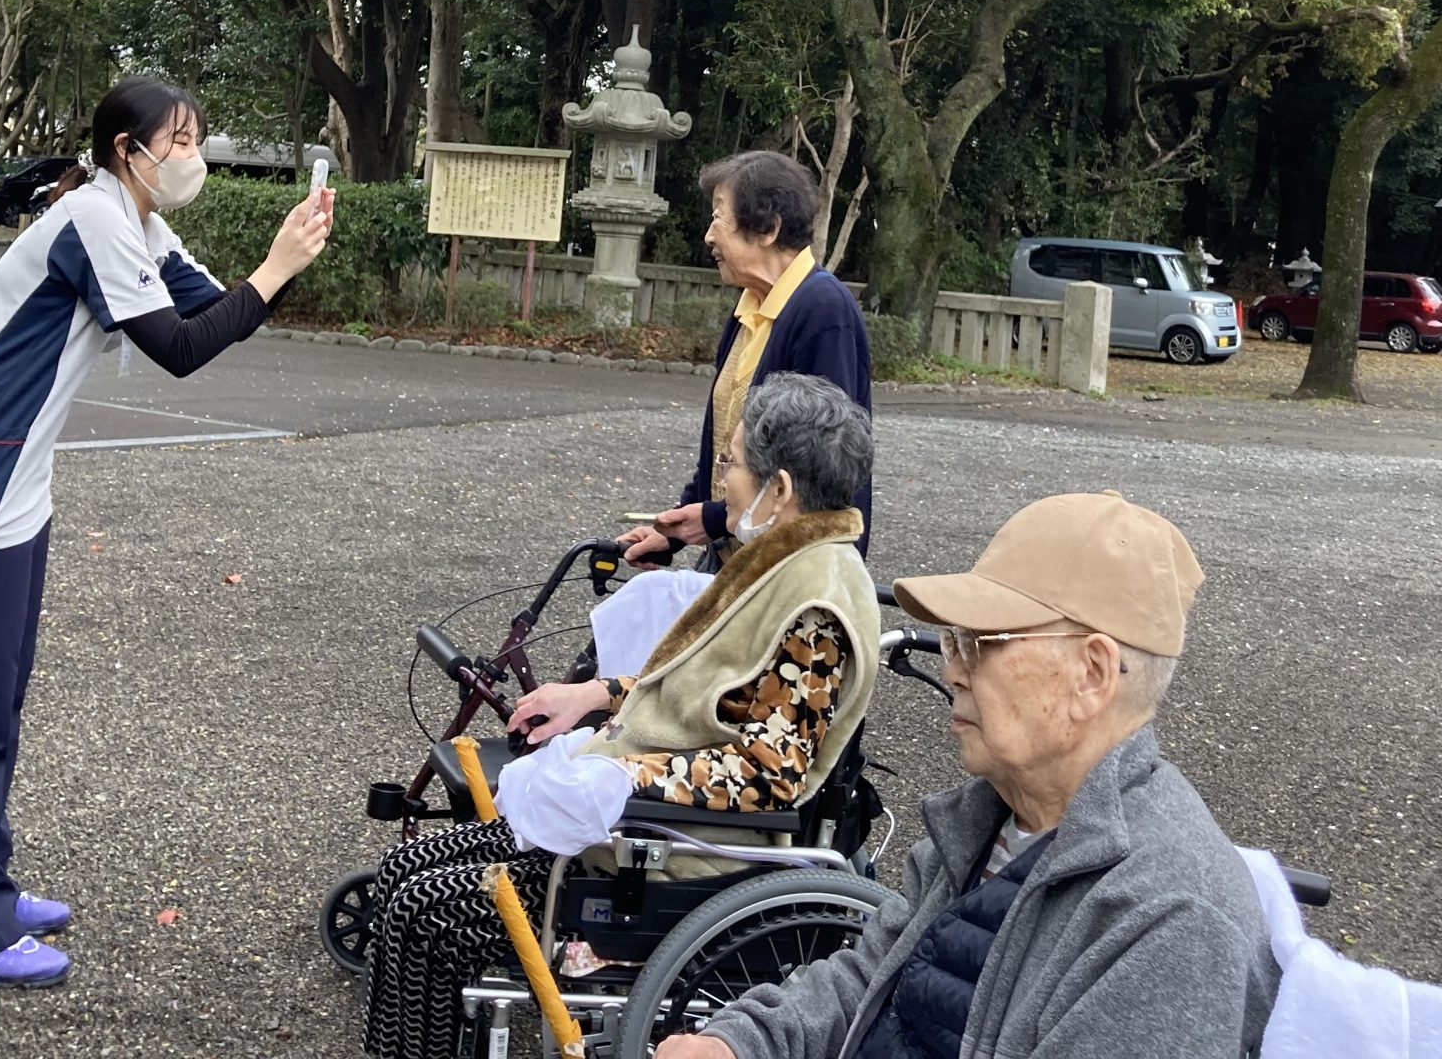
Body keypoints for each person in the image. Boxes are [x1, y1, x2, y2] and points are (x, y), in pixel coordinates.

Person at [0, 77, 331, 988]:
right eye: (179, 140)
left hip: (12, 486)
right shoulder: (91, 220)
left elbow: (212, 317)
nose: (192, 156)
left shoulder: (139, 227)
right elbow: (178, 352)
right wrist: (276, 267)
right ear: (128, 149)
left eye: (198, 137)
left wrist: (285, 264)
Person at [359, 374, 879, 1059]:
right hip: (636, 813)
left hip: (677, 847)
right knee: (407, 874)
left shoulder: (818, 607)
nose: (723, 481)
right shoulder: (783, 563)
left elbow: (768, 775)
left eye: (732, 464)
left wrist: (624, 778)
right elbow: (709, 686)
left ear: (779, 489)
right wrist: (596, 695)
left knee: (426, 913)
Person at [657, 492, 1279, 1059]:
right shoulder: (994, 817)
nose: (953, 670)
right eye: (953, 640)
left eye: (980, 641)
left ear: (1092, 674)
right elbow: (871, 974)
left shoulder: (1172, 925)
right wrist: (740, 1044)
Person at [621, 150, 872, 564]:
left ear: (769, 228)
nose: (708, 236)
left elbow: (823, 468)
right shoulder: (751, 305)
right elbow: (726, 447)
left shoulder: (823, 310)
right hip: (737, 553)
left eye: (718, 217)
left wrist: (715, 518)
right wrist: (675, 529)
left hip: (791, 567)